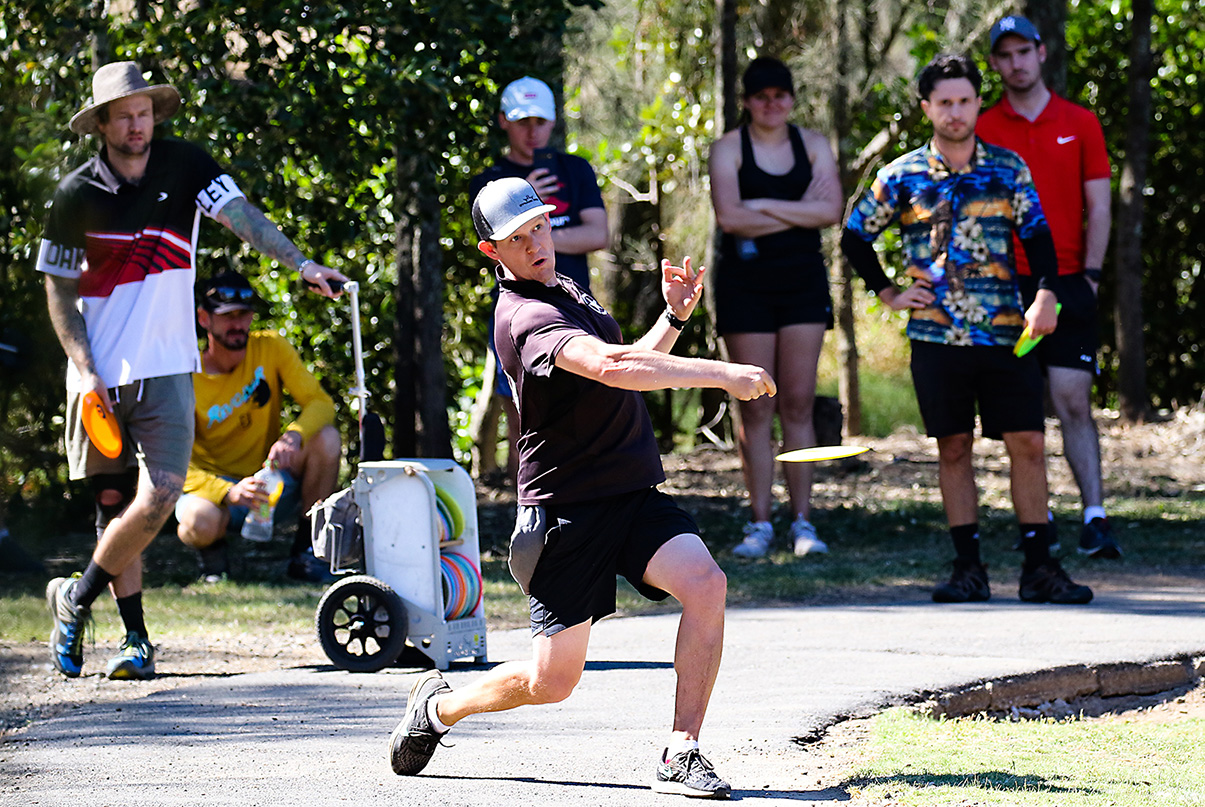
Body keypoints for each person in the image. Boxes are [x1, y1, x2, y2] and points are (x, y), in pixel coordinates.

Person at [387, 177, 776, 798]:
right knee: (553, 681)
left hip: (632, 492)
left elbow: (626, 364)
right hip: (566, 513)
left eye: (539, 226)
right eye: (518, 238)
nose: (536, 243)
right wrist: (721, 373)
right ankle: (439, 710)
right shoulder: (526, 316)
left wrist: (673, 318)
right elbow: (614, 367)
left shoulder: (565, 290)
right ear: (494, 253)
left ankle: (682, 750)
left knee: (706, 584)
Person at [38, 61, 347, 681]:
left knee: (161, 495)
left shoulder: (187, 168)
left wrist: (301, 263)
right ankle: (134, 640)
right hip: (98, 377)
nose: (136, 124)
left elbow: (243, 218)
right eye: (123, 115)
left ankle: (74, 599)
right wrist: (86, 368)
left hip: (167, 366)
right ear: (101, 123)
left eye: (144, 111)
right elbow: (60, 292)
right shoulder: (76, 195)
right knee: (113, 504)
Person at [841, 53, 1093, 605]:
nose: (955, 112)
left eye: (964, 100)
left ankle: (1040, 566)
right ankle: (968, 568)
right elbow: (855, 236)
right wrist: (888, 291)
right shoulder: (902, 174)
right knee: (952, 447)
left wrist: (1047, 294)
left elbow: (1040, 238)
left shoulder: (1007, 167)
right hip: (936, 337)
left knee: (1027, 441)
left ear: (979, 102)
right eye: (944, 102)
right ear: (927, 107)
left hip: (1006, 331)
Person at [977, 15, 1120, 559]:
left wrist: (1091, 274)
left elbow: (1100, 205)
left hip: (1068, 281)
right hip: (1005, 286)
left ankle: (1095, 517)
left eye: (1023, 52)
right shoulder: (985, 127)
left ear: (1040, 53)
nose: (1015, 63)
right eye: (1004, 55)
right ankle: (1038, 522)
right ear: (995, 63)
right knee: (1021, 411)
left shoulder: (1080, 122)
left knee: (1072, 400)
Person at [708, 57, 843, 559]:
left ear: (791, 98)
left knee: (799, 403)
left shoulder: (812, 145)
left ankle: (804, 521)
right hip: (745, 286)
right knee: (756, 404)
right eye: (761, 95)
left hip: (802, 285)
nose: (771, 103)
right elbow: (729, 217)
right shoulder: (727, 149)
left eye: (780, 94)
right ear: (747, 100)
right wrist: (795, 211)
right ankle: (760, 522)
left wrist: (760, 205)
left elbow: (830, 211)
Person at [469, 76, 609, 481]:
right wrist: (533, 223)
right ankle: (530, 495)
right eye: (522, 120)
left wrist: (533, 231)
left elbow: (597, 234)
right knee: (521, 407)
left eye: (541, 121)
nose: (533, 131)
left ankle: (584, 484)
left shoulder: (575, 170)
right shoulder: (490, 183)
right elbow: (493, 247)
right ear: (503, 121)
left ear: (552, 123)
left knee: (585, 394)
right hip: (522, 311)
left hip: (574, 305)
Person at [174, 270, 341, 583]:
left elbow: (321, 403)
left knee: (326, 439)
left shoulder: (270, 348)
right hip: (212, 492)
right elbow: (170, 458)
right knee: (198, 521)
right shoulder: (184, 374)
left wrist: (294, 435)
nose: (238, 325)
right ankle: (214, 563)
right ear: (204, 318)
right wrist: (229, 491)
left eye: (244, 315)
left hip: (269, 482)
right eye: (227, 316)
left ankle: (308, 553)